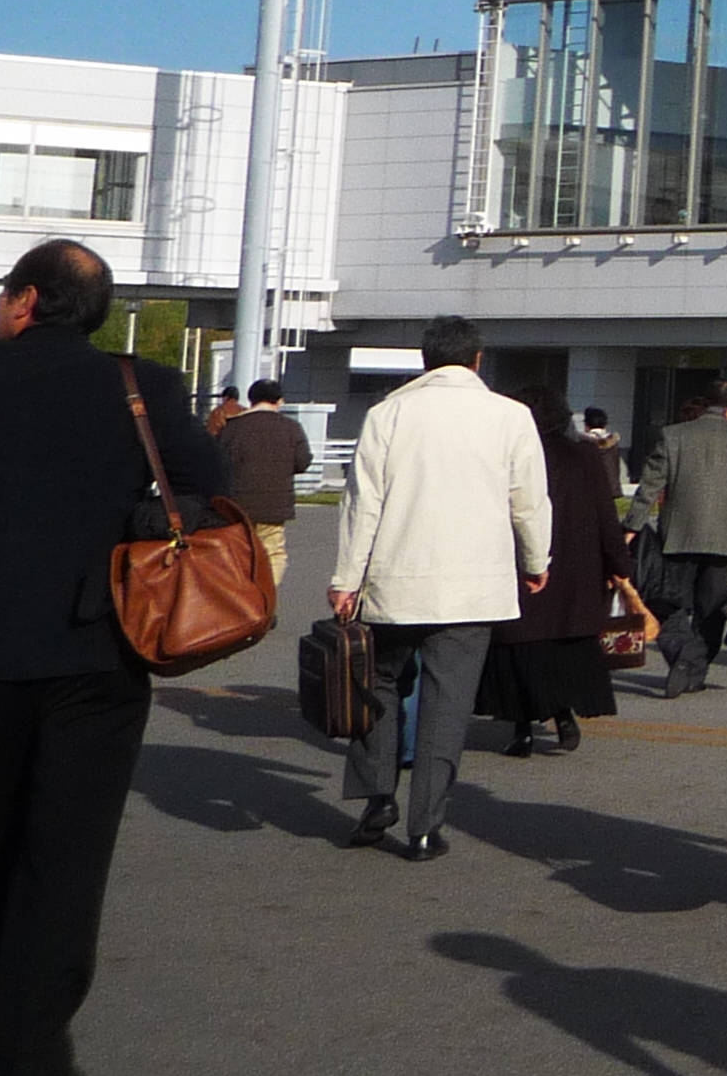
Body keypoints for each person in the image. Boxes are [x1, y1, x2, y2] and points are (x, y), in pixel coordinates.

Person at [0, 240, 232, 1076]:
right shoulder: (144, 386)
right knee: (65, 848)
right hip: (96, 643)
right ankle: (33, 1053)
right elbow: (205, 486)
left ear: (25, 301)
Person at [328, 316, 549, 860]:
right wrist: (537, 559)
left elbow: (363, 504)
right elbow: (529, 499)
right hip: (473, 588)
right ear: (478, 360)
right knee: (447, 706)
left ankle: (378, 796)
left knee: (376, 685)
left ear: (424, 361)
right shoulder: (511, 416)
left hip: (393, 580)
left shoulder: (388, 414)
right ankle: (426, 827)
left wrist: (344, 580)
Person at [482, 384, 632, 758]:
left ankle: (522, 728)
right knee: (564, 649)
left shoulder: (507, 454)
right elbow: (605, 516)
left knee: (519, 648)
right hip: (575, 571)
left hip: (521, 565)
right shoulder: (584, 456)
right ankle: (564, 713)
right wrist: (619, 564)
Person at [629, 378, 727, 699]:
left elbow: (649, 485)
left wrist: (632, 526)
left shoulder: (673, 436)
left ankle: (682, 656)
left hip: (677, 536)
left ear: (704, 402)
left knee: (669, 603)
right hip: (723, 540)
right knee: (712, 608)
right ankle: (697, 667)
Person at [215, 378, 312, 594]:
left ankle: (240, 601)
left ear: (251, 400)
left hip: (237, 504)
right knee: (273, 553)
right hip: (275, 504)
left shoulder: (234, 427)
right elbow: (303, 462)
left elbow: (219, 462)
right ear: (279, 401)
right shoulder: (291, 427)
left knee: (240, 553)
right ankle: (264, 599)